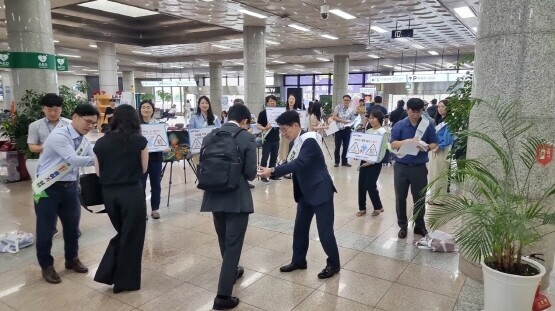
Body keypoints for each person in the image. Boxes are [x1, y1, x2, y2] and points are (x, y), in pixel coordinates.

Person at [258, 111, 340, 280]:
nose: (283, 133)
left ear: (296, 126)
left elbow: (299, 163)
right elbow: (291, 163)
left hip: (320, 191)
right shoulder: (297, 141)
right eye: (281, 130)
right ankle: (299, 261)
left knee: (325, 232)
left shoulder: (308, 140)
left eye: (285, 129)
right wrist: (272, 170)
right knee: (300, 229)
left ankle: (334, 263)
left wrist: (272, 170)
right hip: (304, 193)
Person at [32, 104, 99, 284]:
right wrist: (105, 156)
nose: (90, 126)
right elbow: (74, 160)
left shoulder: (84, 140)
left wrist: (100, 158)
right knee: (46, 229)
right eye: (88, 122)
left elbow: (92, 157)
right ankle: (46, 266)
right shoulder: (59, 136)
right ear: (75, 117)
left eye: (93, 124)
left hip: (70, 188)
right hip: (47, 189)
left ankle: (72, 259)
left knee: (72, 228)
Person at [200, 104, 257, 310]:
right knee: (233, 244)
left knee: (223, 238)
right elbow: (251, 173)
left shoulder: (210, 136)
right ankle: (222, 297)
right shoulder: (247, 138)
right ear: (245, 121)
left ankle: (231, 271)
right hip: (237, 199)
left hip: (214, 196)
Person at [93, 104, 149, 294]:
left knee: (125, 233)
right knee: (132, 236)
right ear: (135, 120)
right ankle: (123, 281)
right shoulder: (139, 141)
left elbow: (98, 172)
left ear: (114, 119)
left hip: (109, 195)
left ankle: (109, 274)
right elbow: (143, 169)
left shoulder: (100, 143)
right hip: (132, 192)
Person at [390, 98, 438, 239]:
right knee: (400, 197)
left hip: (419, 167)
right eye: (413, 111)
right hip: (401, 167)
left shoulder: (427, 125)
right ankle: (403, 226)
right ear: (407, 110)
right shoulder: (400, 125)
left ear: (422, 110)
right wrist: (408, 142)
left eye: (419, 111)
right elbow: (393, 144)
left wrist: (427, 147)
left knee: (419, 198)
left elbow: (434, 143)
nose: (416, 115)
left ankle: (419, 226)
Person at [27, 94, 74, 237]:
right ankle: (51, 228)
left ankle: (72, 228)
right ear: (43, 109)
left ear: (61, 109)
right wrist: (49, 148)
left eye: (56, 109)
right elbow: (32, 147)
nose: (53, 113)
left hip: (67, 168)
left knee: (71, 201)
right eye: (49, 110)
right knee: (46, 201)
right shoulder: (35, 126)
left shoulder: (70, 124)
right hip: (46, 170)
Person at [356, 110, 390, 217]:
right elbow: (363, 146)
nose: (371, 120)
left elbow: (382, 151)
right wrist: (358, 154)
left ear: (379, 119)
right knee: (361, 185)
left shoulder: (383, 132)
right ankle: (362, 208)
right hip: (364, 160)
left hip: (375, 162)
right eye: (369, 118)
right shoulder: (368, 131)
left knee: (370, 185)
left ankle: (378, 207)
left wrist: (372, 162)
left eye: (373, 118)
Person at [138, 100, 163, 219]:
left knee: (156, 184)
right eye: (143, 107)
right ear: (140, 110)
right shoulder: (136, 125)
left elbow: (163, 141)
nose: (146, 109)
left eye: (148, 107)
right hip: (140, 158)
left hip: (156, 158)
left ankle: (155, 209)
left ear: (153, 110)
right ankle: (142, 210)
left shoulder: (158, 125)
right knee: (141, 184)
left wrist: (165, 146)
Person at [428, 99, 454, 205]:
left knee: (440, 173)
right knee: (433, 173)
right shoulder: (437, 120)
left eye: (443, 106)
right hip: (433, 149)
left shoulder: (451, 121)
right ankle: (433, 196)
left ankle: (440, 199)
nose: (440, 109)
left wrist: (440, 146)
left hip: (442, 149)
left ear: (448, 108)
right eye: (439, 107)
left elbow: (448, 138)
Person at [257, 95, 281, 184]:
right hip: (267, 139)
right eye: (270, 101)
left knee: (274, 158)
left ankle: (272, 175)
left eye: (274, 101)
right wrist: (264, 128)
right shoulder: (263, 113)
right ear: (267, 103)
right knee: (265, 157)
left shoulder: (279, 113)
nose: (272, 102)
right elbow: (258, 125)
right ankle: (262, 175)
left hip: (276, 138)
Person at [332, 94, 356, 167]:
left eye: (348, 100)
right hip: (338, 130)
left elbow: (352, 120)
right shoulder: (338, 107)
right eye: (345, 100)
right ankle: (336, 162)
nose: (346, 101)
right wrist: (342, 121)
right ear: (343, 100)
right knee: (337, 146)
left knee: (346, 146)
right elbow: (334, 117)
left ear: (350, 101)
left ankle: (344, 162)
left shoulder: (351, 110)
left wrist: (350, 123)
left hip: (347, 130)